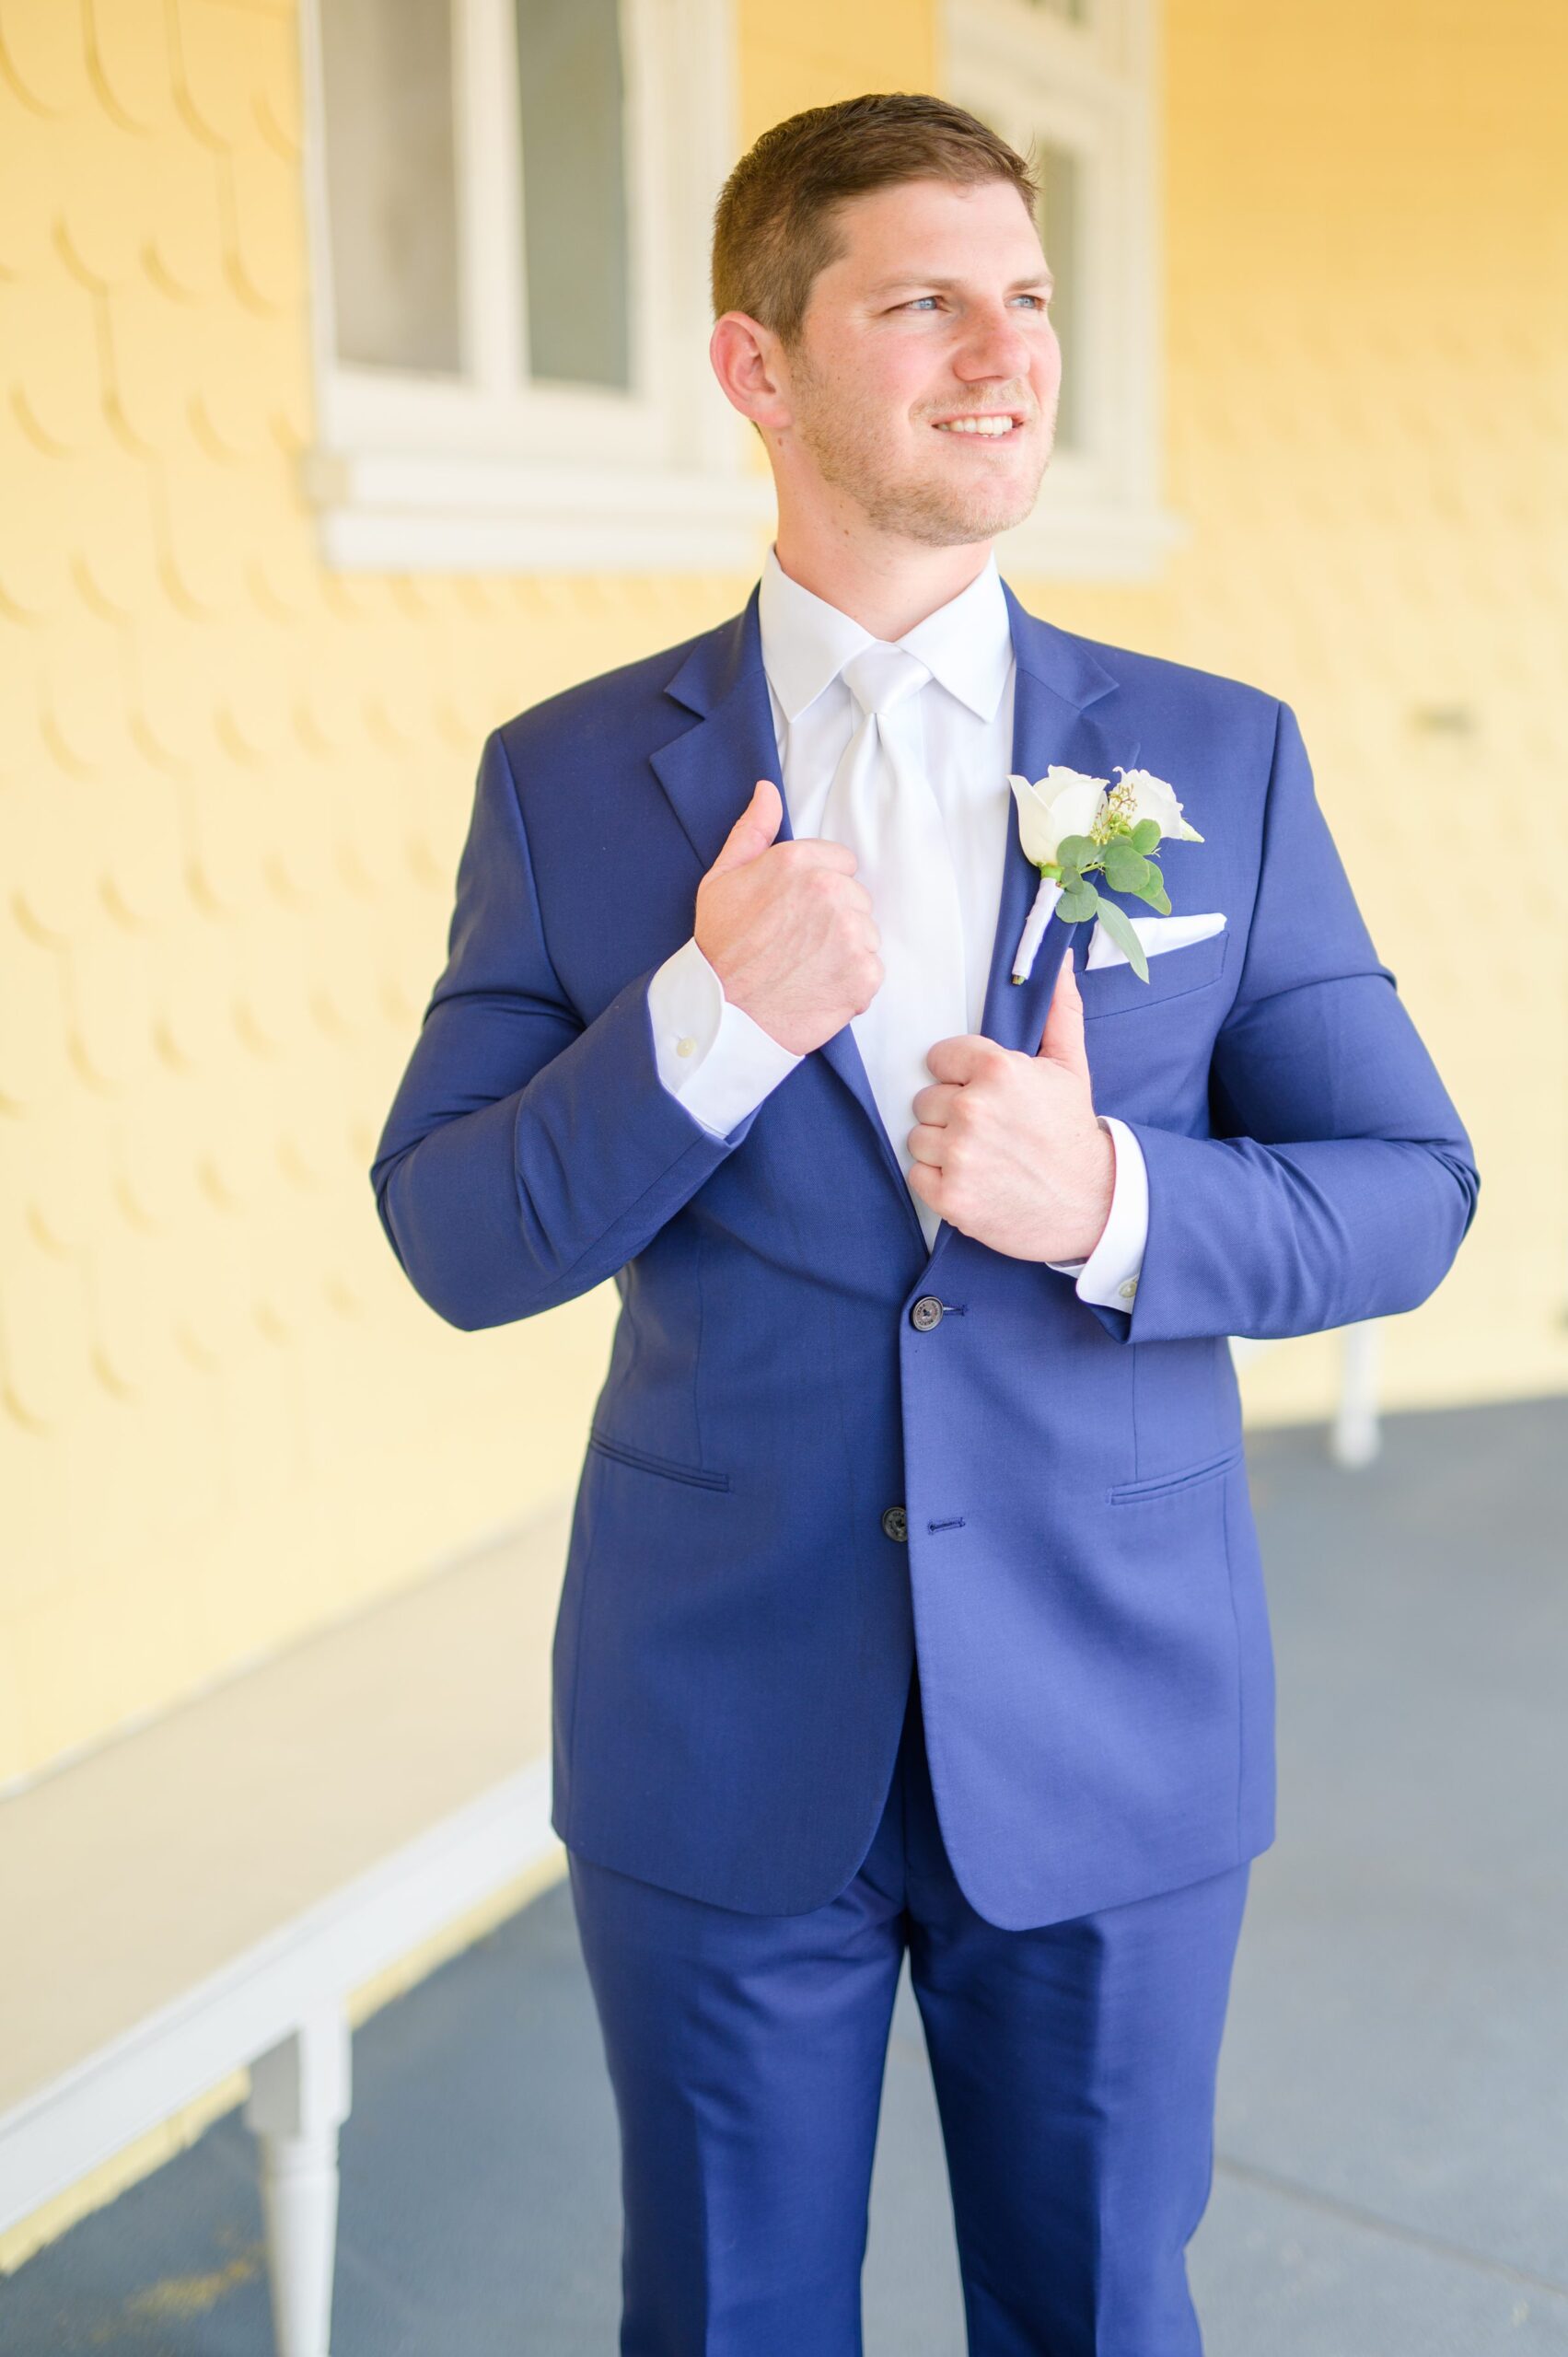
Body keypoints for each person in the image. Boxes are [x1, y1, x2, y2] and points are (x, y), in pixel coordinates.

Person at [370, 91, 1479, 2357]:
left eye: (1033, 296)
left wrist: (1119, 1199)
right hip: (715, 1721)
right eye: (925, 301)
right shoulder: (569, 781)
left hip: (1110, 1708)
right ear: (757, 368)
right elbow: (456, 1232)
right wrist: (706, 1015)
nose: (1009, 352)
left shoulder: (1218, 755)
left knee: (1095, 2312)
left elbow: (1410, 1192)